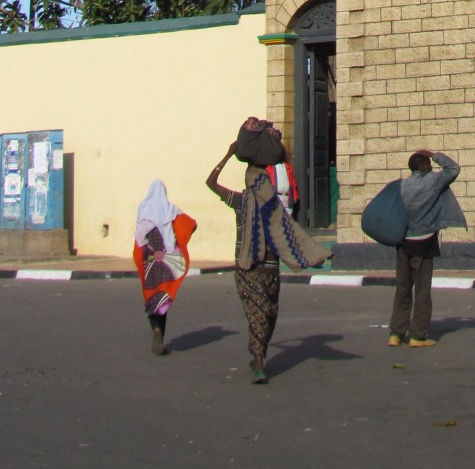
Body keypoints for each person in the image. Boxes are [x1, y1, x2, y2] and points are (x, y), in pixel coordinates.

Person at [207, 136, 332, 384]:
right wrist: (230, 153)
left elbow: (293, 235)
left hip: (268, 269)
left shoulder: (271, 208)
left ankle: (258, 350)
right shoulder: (244, 202)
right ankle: (260, 362)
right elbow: (210, 183)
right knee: (260, 315)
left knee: (269, 314)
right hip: (249, 268)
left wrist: (315, 253)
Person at [388, 148, 465, 348]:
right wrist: (434, 155)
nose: (431, 167)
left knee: (402, 288)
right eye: (428, 164)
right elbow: (453, 169)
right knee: (422, 289)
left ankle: (396, 334)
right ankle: (417, 335)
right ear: (423, 166)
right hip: (423, 242)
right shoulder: (432, 181)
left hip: (403, 241)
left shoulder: (402, 185)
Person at [133, 180, 196, 356]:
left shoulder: (143, 210)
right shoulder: (171, 210)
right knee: (163, 299)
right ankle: (161, 335)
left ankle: (156, 331)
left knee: (152, 298)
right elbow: (190, 224)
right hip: (167, 263)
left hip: (150, 262)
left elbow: (138, 240)